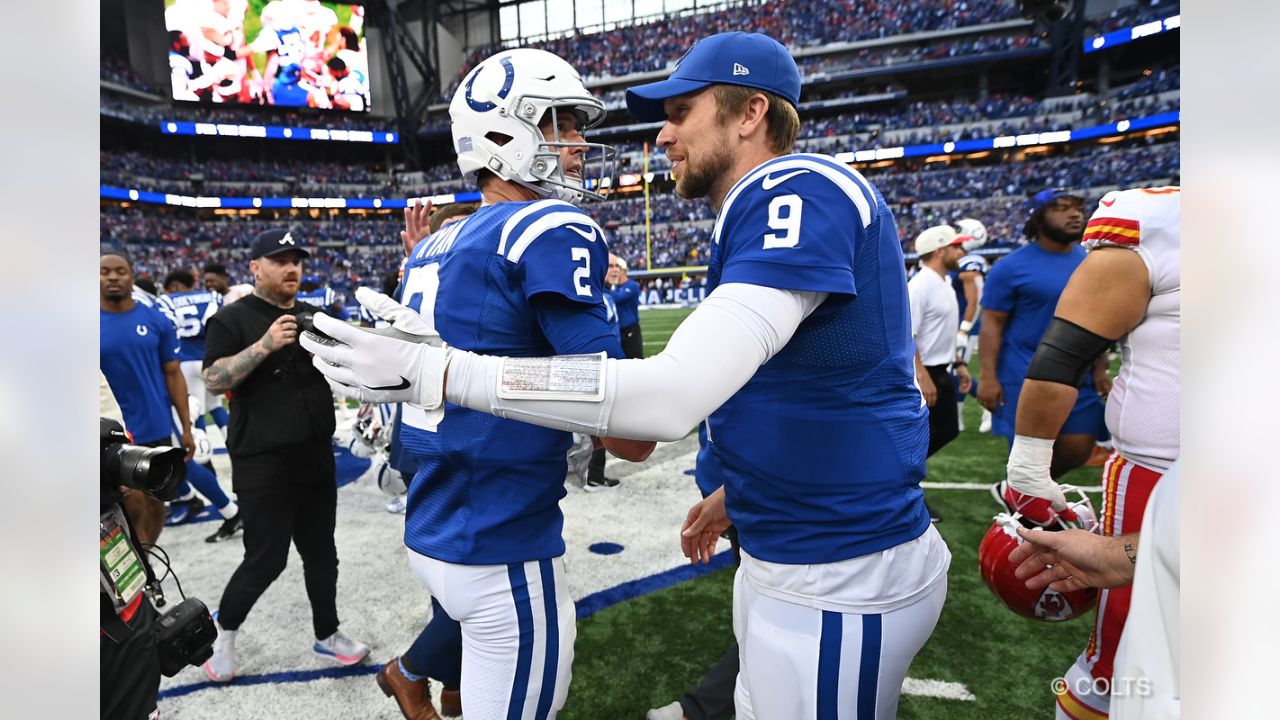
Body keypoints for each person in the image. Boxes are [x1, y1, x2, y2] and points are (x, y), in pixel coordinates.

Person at [306, 32, 950, 719]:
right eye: (564, 126)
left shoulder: (795, 187)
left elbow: (666, 402)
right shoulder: (752, 209)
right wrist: (741, 489)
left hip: (841, 565)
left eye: (680, 113)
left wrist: (435, 369)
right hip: (794, 547)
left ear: (751, 112)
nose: (662, 134)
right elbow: (807, 386)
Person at [336, 48, 652, 720]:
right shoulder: (547, 225)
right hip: (503, 541)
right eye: (559, 124)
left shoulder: (435, 245)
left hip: (436, 524)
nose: (575, 147)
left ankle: (420, 677)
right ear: (505, 133)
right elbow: (629, 433)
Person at [1002, 186, 1180, 718]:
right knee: (1129, 665)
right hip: (1167, 478)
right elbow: (1063, 356)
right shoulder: (1165, 222)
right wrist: (1029, 466)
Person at [200, 229, 369, 682]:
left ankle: (328, 633)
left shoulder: (315, 315)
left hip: (314, 453)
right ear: (255, 267)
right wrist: (264, 345)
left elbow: (353, 361)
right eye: (280, 260)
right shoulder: (231, 319)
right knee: (266, 557)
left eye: (297, 260)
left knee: (321, 552)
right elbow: (214, 380)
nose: (292, 268)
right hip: (262, 459)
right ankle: (224, 635)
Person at [978, 189, 1109, 487]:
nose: (1075, 214)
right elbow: (992, 325)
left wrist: (1100, 368)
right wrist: (988, 377)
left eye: (1077, 208)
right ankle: (1025, 514)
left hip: (1079, 371)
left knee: (1079, 446)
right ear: (1037, 218)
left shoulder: (1093, 261)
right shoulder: (1009, 267)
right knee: (1030, 454)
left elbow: (1097, 317)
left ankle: (1016, 491)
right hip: (1024, 372)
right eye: (1061, 208)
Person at [100, 251, 235, 537]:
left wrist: (186, 427)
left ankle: (229, 511)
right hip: (106, 427)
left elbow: (173, 375)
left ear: (132, 278)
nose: (112, 277)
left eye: (120, 271)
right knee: (132, 503)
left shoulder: (155, 319)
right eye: (104, 271)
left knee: (153, 498)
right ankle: (210, 506)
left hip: (154, 419)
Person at [158, 269, 243, 542]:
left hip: (181, 364)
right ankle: (237, 451)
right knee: (214, 408)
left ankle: (207, 477)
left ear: (173, 285)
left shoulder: (168, 301)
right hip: (208, 359)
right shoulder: (213, 297)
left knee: (190, 427)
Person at [908, 225, 973, 523]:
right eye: (956, 247)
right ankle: (903, 487)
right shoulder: (920, 286)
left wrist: (958, 363)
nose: (962, 252)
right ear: (940, 250)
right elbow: (907, 333)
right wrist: (921, 373)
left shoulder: (944, 283)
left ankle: (902, 483)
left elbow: (940, 332)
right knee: (921, 436)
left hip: (940, 367)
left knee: (946, 430)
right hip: (925, 371)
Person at [949, 217, 991, 433]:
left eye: (958, 230)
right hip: (952, 324)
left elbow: (975, 301)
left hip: (964, 326)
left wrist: (964, 328)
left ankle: (991, 407)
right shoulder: (956, 260)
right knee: (951, 371)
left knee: (956, 371)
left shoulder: (971, 262)